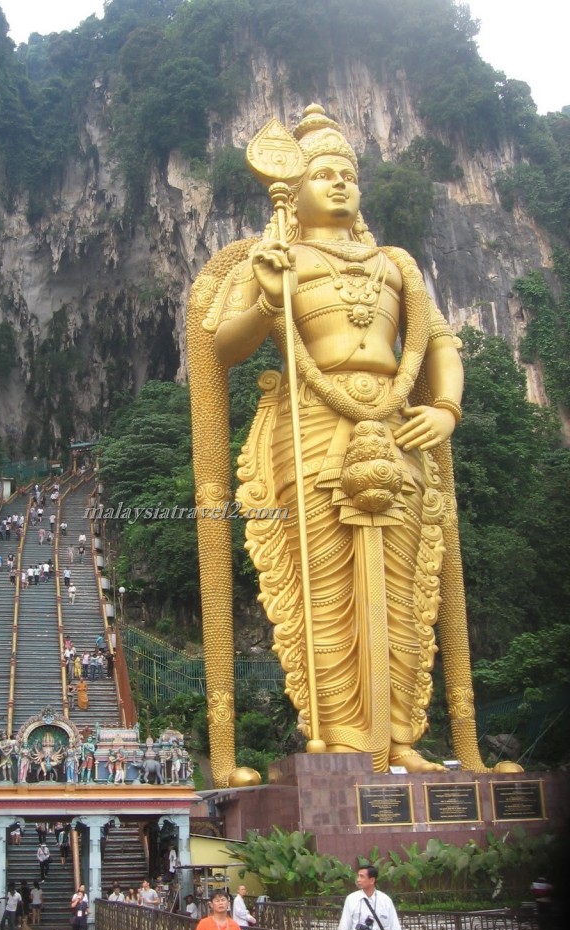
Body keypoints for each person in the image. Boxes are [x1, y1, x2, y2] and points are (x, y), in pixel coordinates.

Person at [188, 102, 482, 779]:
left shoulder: (397, 264)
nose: (340, 182)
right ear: (295, 188)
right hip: (312, 426)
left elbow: (439, 345)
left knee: (405, 590)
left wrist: (446, 410)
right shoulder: (280, 259)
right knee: (326, 589)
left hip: (399, 422)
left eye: (348, 171)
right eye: (323, 172)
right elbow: (222, 347)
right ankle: (346, 734)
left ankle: (404, 736)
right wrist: (265, 297)